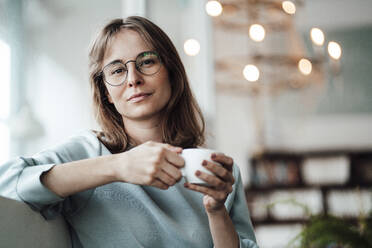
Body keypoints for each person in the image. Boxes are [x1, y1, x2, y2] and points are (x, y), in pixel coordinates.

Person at [0, 16, 258, 248]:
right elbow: (8, 183)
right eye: (117, 70)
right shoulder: (88, 152)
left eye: (147, 62)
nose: (133, 78)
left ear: (172, 74)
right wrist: (119, 166)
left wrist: (216, 211)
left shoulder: (219, 172)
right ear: (106, 93)